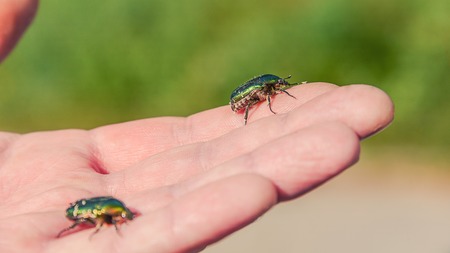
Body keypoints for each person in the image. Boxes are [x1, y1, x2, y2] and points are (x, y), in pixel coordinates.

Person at [0, 1, 394, 252]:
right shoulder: (264, 89)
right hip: (236, 101)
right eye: (279, 88)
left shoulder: (270, 87)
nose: (279, 91)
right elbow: (256, 95)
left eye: (277, 89)